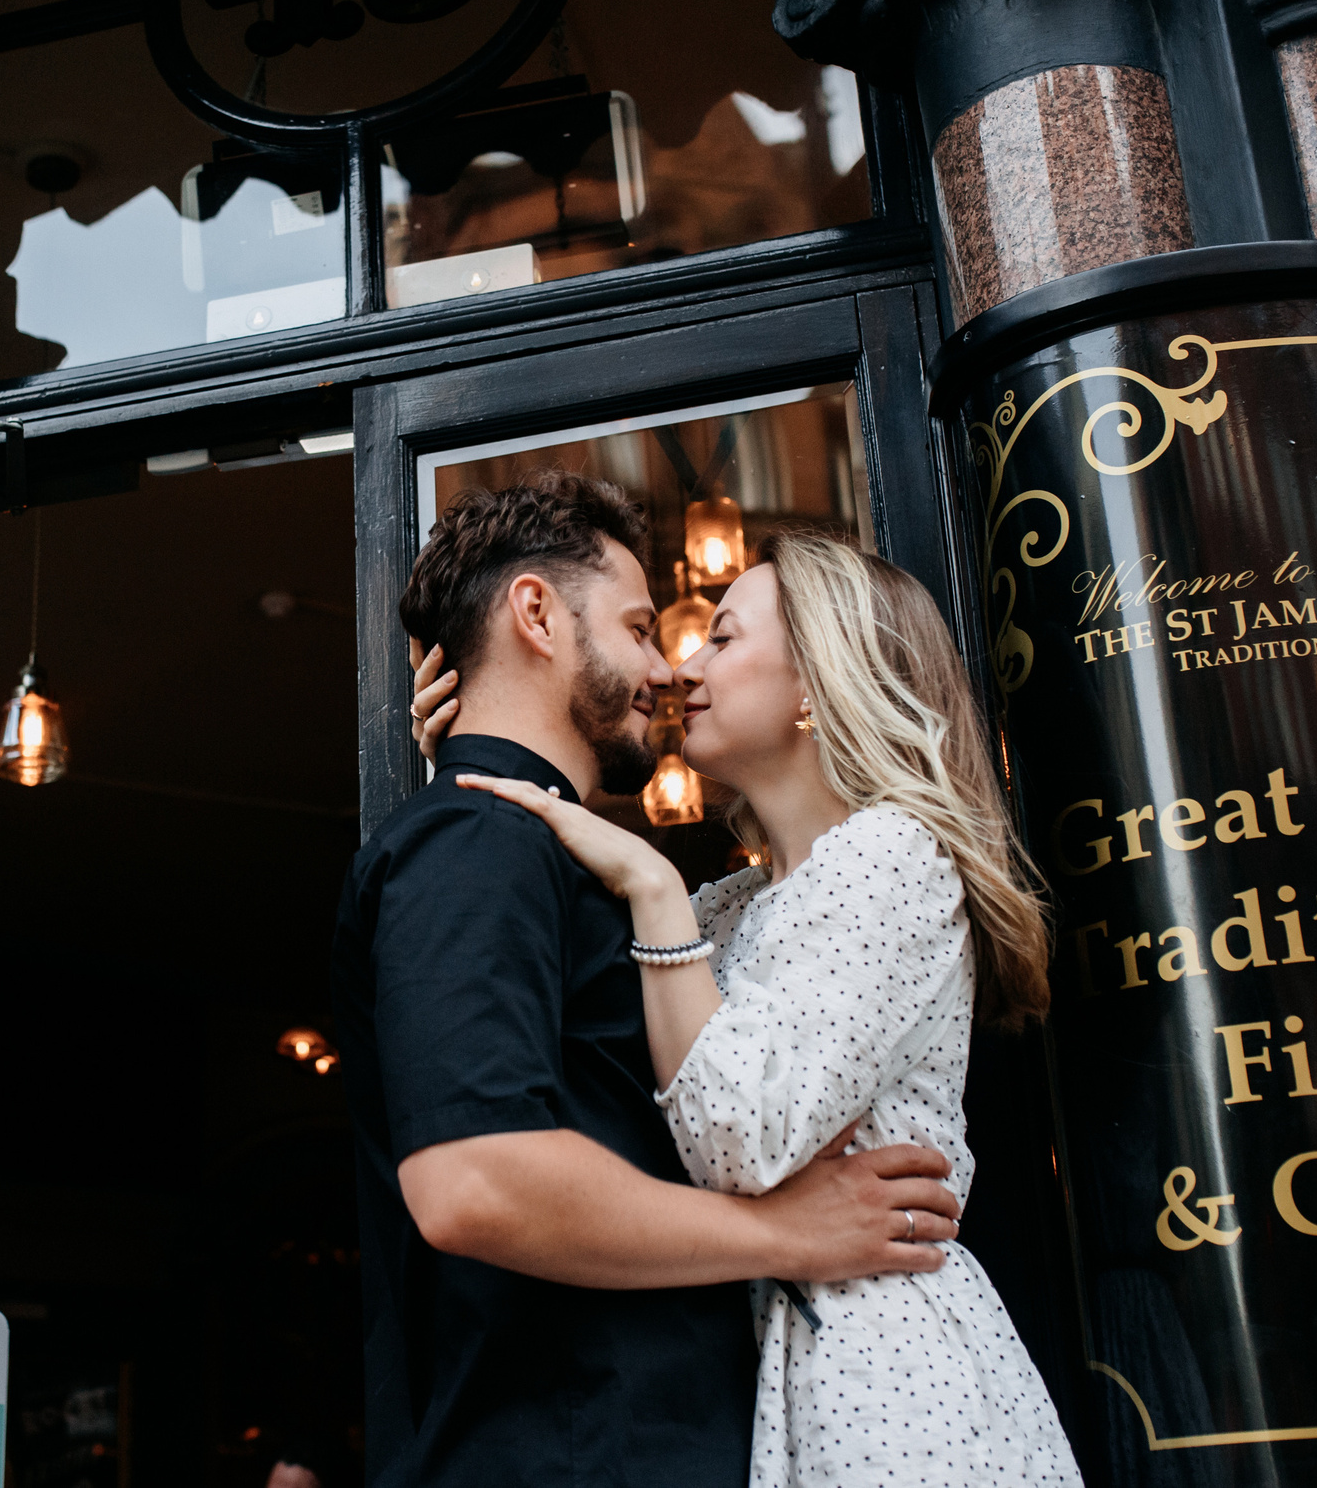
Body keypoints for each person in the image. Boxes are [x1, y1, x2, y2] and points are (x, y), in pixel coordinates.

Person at [333, 472, 968, 1488]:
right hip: (573, 1452)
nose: (663, 668)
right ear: (536, 615)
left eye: (711, 636)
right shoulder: (474, 846)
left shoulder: (580, 869)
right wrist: (779, 1234)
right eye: (641, 626)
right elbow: (473, 1181)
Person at [435, 527, 1083, 1486]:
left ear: (818, 681)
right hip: (774, 1358)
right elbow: (606, 1060)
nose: (685, 666)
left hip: (883, 1370)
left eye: (723, 638)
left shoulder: (893, 856)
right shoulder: (733, 906)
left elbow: (739, 1135)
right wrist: (473, 746)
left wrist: (653, 888)